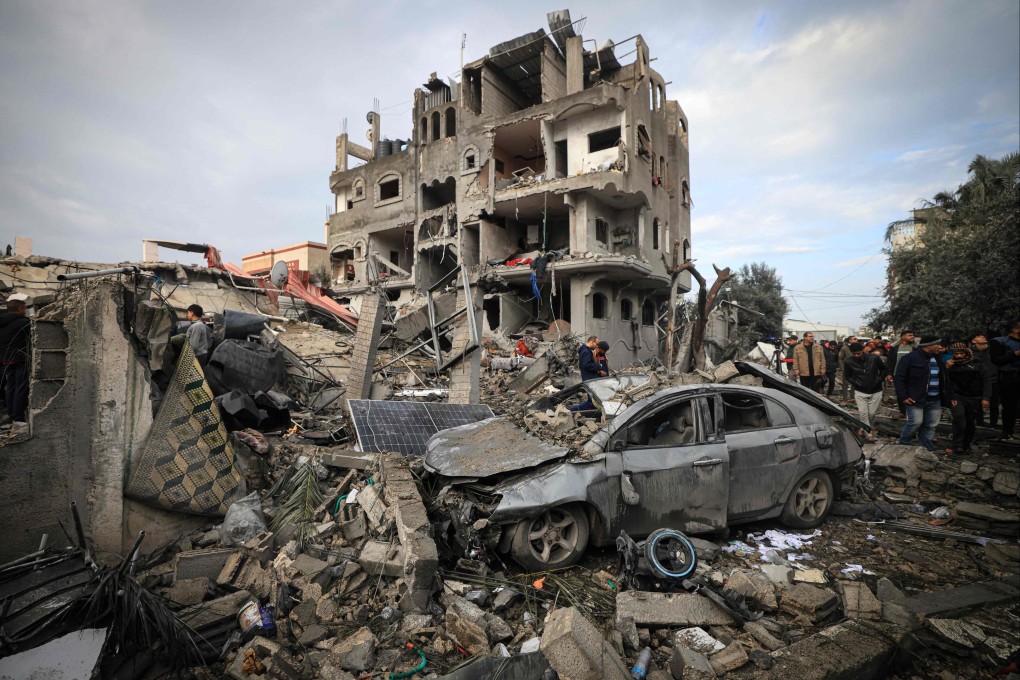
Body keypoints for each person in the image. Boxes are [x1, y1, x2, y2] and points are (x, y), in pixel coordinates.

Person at [894, 335, 957, 452]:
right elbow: (899, 378)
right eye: (937, 344)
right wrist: (903, 396)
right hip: (915, 399)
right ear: (928, 346)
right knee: (915, 423)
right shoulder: (910, 358)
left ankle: (925, 449)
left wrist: (950, 395)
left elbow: (944, 379)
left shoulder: (938, 359)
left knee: (930, 426)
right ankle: (902, 446)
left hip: (935, 399)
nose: (939, 346)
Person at [945, 342, 991, 455]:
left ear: (966, 353)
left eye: (961, 353)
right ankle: (957, 445)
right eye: (956, 354)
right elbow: (945, 381)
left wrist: (986, 398)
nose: (959, 356)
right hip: (958, 396)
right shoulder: (951, 365)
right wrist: (946, 369)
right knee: (959, 418)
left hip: (974, 397)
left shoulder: (977, 364)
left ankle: (966, 445)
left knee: (970, 422)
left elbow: (987, 380)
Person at [844, 342, 888, 442]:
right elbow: (847, 375)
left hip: (875, 390)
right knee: (863, 413)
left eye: (858, 353)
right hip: (860, 391)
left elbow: (884, 369)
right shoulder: (849, 362)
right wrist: (855, 383)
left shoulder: (874, 358)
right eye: (854, 354)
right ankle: (869, 434)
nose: (856, 356)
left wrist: (879, 379)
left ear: (863, 350)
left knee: (871, 414)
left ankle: (862, 428)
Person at [0, 295, 32, 428]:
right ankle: (18, 417)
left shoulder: (2, 322)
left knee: (10, 387)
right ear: (19, 309)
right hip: (19, 359)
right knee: (21, 387)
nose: (25, 311)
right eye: (25, 309)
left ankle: (12, 414)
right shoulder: (23, 322)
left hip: (5, 360)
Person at [989, 321, 1020, 440]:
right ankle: (1007, 432)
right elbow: (997, 360)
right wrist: (1015, 354)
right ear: (1015, 330)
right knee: (1009, 406)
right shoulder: (999, 341)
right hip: (1008, 378)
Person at [886, 330, 916, 418]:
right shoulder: (895, 348)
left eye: (912, 335)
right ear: (903, 337)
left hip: (911, 375)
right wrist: (889, 373)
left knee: (911, 393)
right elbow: (890, 362)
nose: (912, 337)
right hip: (897, 374)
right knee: (900, 394)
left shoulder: (914, 348)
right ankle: (903, 412)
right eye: (910, 335)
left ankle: (912, 413)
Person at [970, 334, 997, 427]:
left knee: (994, 403)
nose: (982, 338)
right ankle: (979, 421)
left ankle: (993, 423)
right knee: (978, 403)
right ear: (973, 341)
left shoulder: (991, 351)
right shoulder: (970, 352)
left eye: (983, 337)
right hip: (978, 381)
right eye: (979, 336)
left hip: (993, 379)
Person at [837, 336, 857, 404]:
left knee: (854, 384)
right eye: (854, 339)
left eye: (856, 339)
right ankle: (845, 399)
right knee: (845, 384)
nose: (856, 340)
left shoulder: (857, 347)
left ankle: (852, 398)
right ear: (850, 340)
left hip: (855, 369)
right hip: (847, 369)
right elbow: (840, 359)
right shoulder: (845, 348)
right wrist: (843, 368)